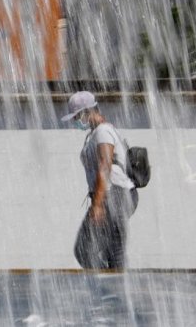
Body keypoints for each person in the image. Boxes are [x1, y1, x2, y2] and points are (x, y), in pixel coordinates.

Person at [61, 91, 139, 270]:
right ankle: (115, 288)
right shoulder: (98, 132)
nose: (75, 122)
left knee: (84, 249)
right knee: (113, 250)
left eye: (76, 116)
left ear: (87, 112)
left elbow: (105, 167)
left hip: (115, 196)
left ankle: (110, 286)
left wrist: (97, 206)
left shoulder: (103, 131)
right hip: (115, 196)